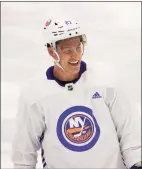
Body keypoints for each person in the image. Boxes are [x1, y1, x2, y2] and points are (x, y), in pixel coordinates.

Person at [11, 19, 141, 169]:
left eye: (78, 47)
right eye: (68, 51)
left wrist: (137, 163)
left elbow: (130, 132)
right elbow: (24, 151)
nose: (76, 56)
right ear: (51, 52)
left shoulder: (107, 83)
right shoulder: (35, 95)